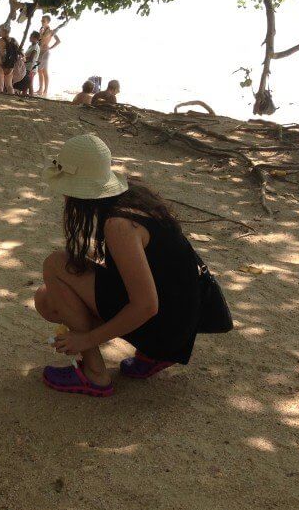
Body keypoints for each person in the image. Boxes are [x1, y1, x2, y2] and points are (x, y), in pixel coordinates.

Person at [35, 133, 214, 397]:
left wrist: (85, 339)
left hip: (167, 330)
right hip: (179, 321)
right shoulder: (133, 197)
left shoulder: (119, 225)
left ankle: (95, 375)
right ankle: (149, 356)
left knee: (55, 265)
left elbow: (146, 305)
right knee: (46, 298)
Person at [36, 15, 61, 97]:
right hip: (39, 51)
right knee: (39, 70)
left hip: (46, 52)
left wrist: (50, 47)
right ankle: (40, 89)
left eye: (44, 21)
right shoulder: (41, 29)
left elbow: (58, 41)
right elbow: (39, 40)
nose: (42, 22)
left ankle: (45, 90)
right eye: (41, 20)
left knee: (44, 71)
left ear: (48, 22)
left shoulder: (51, 31)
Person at [13, 30, 41, 96]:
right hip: (27, 67)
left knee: (29, 83)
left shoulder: (35, 47)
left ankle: (31, 96)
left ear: (35, 38)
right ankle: (25, 95)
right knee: (27, 83)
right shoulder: (31, 46)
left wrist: (23, 59)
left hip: (31, 68)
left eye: (31, 37)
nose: (29, 38)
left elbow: (31, 58)